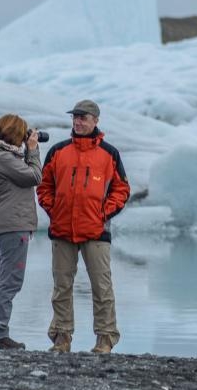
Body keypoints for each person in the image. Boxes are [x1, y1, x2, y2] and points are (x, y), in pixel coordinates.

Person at [37, 100, 130, 354]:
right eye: (75, 117)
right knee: (62, 286)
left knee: (101, 286)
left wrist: (104, 212)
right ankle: (62, 337)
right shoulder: (58, 151)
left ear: (95, 121)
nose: (78, 122)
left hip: (96, 230)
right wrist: (53, 210)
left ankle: (105, 339)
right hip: (62, 229)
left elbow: (122, 189)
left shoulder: (109, 154)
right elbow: (44, 186)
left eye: (83, 118)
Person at [0, 114, 42, 350]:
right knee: (10, 281)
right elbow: (34, 176)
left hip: (10, 223)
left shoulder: (2, 155)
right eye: (23, 133)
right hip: (13, 224)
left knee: (5, 279)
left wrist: (26, 151)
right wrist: (33, 150)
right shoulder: (3, 158)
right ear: (16, 134)